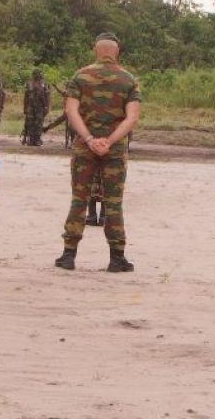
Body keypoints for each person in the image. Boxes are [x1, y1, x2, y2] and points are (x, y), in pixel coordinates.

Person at [55, 33, 141, 273]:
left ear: (96, 50)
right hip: (114, 152)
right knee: (113, 203)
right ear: (117, 52)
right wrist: (111, 141)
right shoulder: (128, 80)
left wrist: (90, 139)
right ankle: (117, 258)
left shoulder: (80, 76)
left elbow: (71, 111)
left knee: (79, 199)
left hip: (84, 148)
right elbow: (132, 117)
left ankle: (68, 256)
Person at [22, 69, 51, 146]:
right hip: (30, 107)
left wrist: (47, 107)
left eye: (39, 74)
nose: (38, 76)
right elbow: (26, 96)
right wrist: (25, 107)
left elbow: (47, 96)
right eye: (37, 74)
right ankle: (31, 140)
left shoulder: (44, 84)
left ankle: (37, 139)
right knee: (30, 123)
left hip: (40, 107)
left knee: (39, 123)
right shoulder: (29, 84)